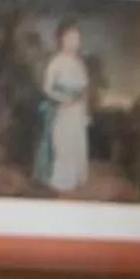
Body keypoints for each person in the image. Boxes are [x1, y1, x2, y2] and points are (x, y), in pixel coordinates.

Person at [37, 21, 93, 195]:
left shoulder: (79, 63)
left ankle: (76, 179)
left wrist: (84, 112)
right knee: (63, 143)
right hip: (62, 110)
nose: (74, 42)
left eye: (77, 38)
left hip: (77, 110)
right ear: (62, 40)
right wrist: (63, 100)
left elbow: (83, 91)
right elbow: (48, 87)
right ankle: (61, 183)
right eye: (70, 38)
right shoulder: (56, 62)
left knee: (77, 143)